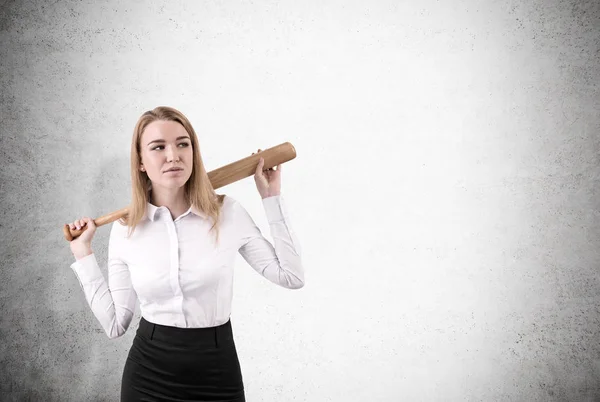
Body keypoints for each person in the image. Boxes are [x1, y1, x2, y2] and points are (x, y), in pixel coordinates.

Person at [67, 106, 304, 402]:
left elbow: (291, 276)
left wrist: (271, 198)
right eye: (158, 147)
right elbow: (116, 324)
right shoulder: (125, 230)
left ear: (194, 151)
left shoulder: (227, 213)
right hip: (148, 376)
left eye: (183, 143)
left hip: (217, 374)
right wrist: (83, 253)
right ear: (141, 162)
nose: (173, 155)